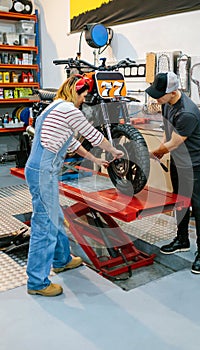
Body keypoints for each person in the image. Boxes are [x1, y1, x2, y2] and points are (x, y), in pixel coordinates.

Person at [25, 74, 124, 296]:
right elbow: (93, 135)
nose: (84, 99)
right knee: (44, 224)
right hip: (43, 171)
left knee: (55, 217)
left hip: (42, 170)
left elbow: (73, 142)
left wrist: (96, 159)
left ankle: (61, 260)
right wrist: (113, 150)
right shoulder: (69, 110)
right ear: (75, 92)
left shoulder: (54, 108)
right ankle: (37, 282)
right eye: (84, 95)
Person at [146, 71, 200, 274]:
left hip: (195, 164)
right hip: (177, 161)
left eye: (159, 94)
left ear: (173, 92)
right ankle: (182, 240)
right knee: (180, 201)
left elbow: (175, 142)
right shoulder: (166, 104)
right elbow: (168, 132)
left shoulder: (187, 112)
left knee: (198, 206)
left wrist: (153, 153)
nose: (156, 98)